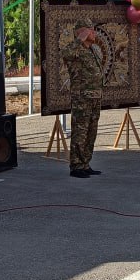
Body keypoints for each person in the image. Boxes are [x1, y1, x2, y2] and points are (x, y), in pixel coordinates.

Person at [63, 19, 104, 178]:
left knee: (91, 132)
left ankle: (85, 163)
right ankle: (76, 166)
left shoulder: (93, 49)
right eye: (90, 30)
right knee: (80, 132)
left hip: (95, 97)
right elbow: (64, 53)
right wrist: (79, 38)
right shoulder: (76, 49)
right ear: (82, 31)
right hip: (82, 98)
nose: (94, 33)